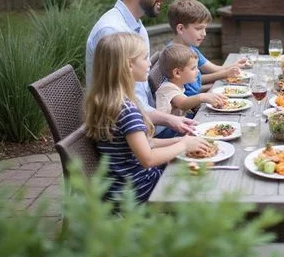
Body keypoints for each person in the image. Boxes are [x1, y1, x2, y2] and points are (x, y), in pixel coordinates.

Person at [84, 33, 211, 203]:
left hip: (123, 186)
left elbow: (147, 143)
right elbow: (148, 159)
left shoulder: (107, 101)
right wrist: (183, 145)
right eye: (144, 58)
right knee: (206, 181)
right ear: (128, 65)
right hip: (138, 191)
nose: (150, 63)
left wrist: (182, 141)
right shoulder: (127, 110)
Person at [85, 0, 195, 137]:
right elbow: (123, 107)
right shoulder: (112, 31)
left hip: (147, 122)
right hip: (131, 134)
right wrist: (169, 120)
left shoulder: (136, 25)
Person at [166, 0, 245, 96]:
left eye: (205, 28)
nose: (204, 34)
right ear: (181, 28)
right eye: (199, 28)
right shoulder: (172, 56)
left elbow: (212, 70)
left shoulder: (191, 48)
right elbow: (183, 98)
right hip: (190, 108)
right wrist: (223, 76)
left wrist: (235, 65)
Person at [155, 43, 229, 117]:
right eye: (193, 68)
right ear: (177, 73)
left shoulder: (178, 85)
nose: (198, 71)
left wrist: (210, 94)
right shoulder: (167, 88)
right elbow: (183, 104)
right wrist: (202, 97)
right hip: (168, 128)